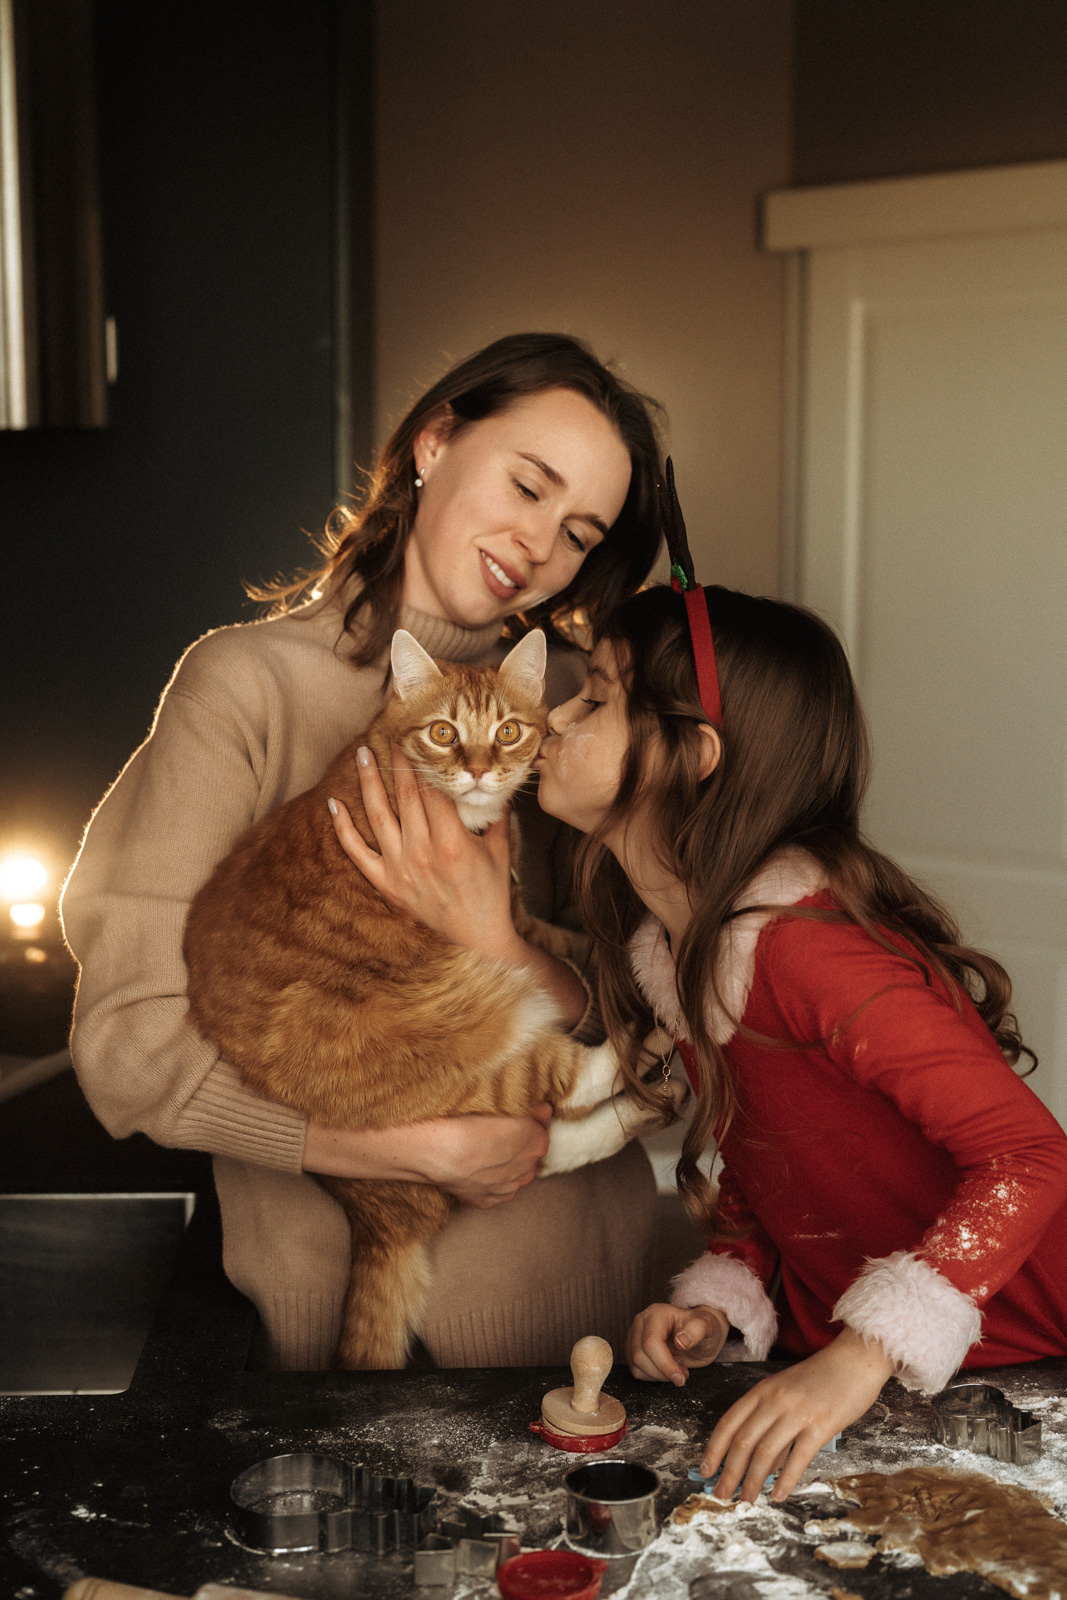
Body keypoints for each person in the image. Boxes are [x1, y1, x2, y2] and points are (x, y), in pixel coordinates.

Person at [61, 332, 667, 1370]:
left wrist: (502, 944)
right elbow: (129, 1042)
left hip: (584, 1307)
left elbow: (677, 1013)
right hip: (337, 1315)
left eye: (577, 533)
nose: (537, 545)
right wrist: (402, 1149)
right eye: (526, 486)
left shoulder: (579, 703)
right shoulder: (243, 686)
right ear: (434, 442)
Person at [530, 578, 1067, 1504]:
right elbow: (776, 1158)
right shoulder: (680, 951)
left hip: (1021, 1362)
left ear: (691, 757)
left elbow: (1029, 1156)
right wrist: (721, 1300)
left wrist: (864, 1353)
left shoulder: (806, 952)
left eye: (596, 698)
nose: (553, 715)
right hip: (876, 1373)